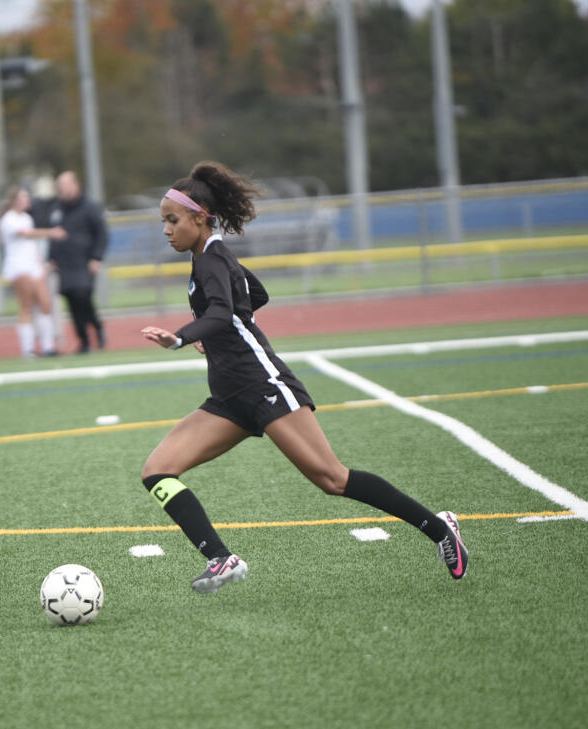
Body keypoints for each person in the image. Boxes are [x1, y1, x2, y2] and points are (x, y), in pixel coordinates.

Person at [139, 161, 469, 594]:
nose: (166, 230)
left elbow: (224, 310)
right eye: (164, 220)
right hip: (229, 396)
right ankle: (221, 558)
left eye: (172, 220)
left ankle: (439, 528)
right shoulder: (209, 256)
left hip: (264, 386)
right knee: (157, 471)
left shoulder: (212, 258)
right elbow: (254, 296)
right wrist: (218, 331)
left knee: (332, 478)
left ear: (200, 218)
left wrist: (184, 337)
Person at [0, 186, 64, 357]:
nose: (27, 201)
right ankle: (28, 349)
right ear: (15, 201)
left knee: (45, 303)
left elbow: (31, 243)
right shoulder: (9, 220)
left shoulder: (27, 217)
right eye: (24, 198)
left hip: (33, 265)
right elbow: (26, 234)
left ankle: (48, 346)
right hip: (19, 266)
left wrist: (41, 264)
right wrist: (51, 232)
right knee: (26, 306)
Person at [46, 171, 108, 353]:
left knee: (83, 297)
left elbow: (101, 234)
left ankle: (97, 327)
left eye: (65, 186)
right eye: (60, 187)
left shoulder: (90, 206)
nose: (62, 190)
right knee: (72, 303)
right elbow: (53, 235)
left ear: (75, 185)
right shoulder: (57, 209)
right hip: (64, 265)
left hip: (84, 262)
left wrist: (96, 258)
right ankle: (84, 342)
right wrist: (51, 257)